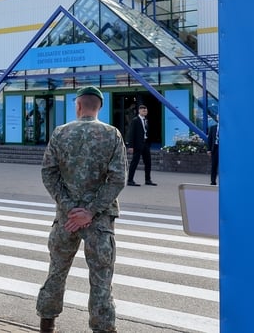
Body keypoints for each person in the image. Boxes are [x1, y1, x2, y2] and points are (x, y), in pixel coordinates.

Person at [36, 86, 127, 333]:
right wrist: (90, 211)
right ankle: (103, 328)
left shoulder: (60, 133)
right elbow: (118, 179)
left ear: (77, 106)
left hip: (66, 220)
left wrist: (69, 208)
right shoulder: (112, 135)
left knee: (56, 271)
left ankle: (47, 324)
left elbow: (49, 173)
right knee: (101, 280)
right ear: (100, 107)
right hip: (99, 222)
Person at [126, 104, 156, 186]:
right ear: (139, 111)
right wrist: (131, 146)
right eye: (143, 110)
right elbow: (131, 133)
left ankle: (148, 180)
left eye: (146, 110)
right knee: (134, 162)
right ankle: (130, 180)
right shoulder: (135, 120)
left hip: (145, 144)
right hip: (137, 145)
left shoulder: (146, 120)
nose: (145, 112)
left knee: (148, 162)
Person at [207, 120, 219, 185]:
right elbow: (210, 139)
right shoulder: (213, 127)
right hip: (215, 148)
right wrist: (209, 149)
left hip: (223, 149)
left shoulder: (226, 128)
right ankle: (213, 181)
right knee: (214, 165)